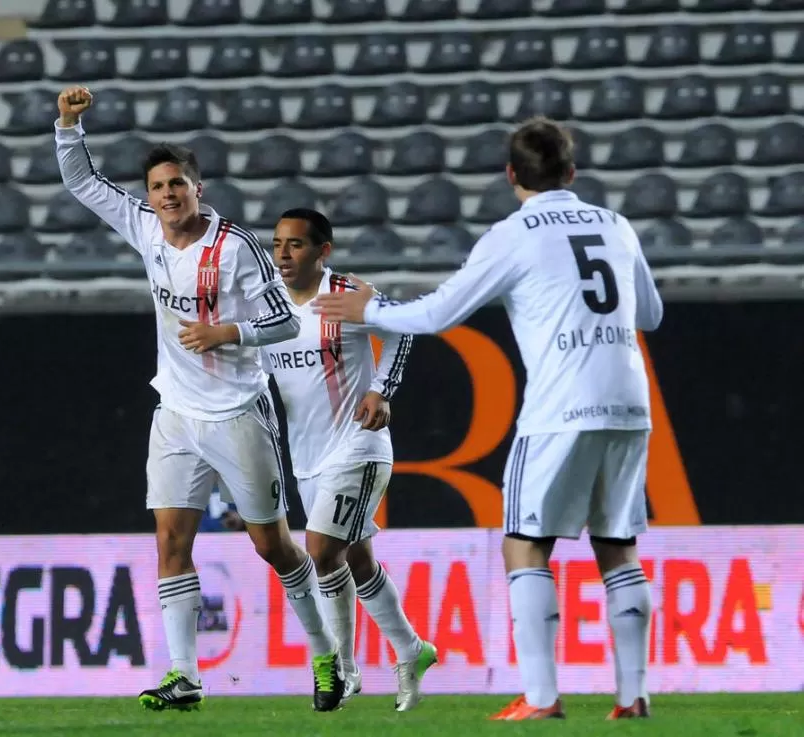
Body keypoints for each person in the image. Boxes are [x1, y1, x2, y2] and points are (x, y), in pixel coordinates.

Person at [315, 116, 663, 721]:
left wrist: (372, 308)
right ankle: (633, 698)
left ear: (511, 176)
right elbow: (651, 315)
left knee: (525, 545)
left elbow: (439, 314)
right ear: (572, 172)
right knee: (618, 547)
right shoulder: (617, 225)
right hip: (631, 404)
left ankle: (542, 698)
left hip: (560, 407)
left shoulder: (515, 234)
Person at [54, 86, 345, 713]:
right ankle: (184, 674)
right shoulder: (144, 229)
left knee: (272, 546)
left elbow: (287, 323)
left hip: (238, 411)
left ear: (197, 189)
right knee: (170, 541)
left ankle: (326, 657)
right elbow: (84, 184)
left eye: (177, 185)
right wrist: (67, 125)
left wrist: (228, 331)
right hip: (177, 414)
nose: (166, 196)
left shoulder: (236, 249)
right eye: (158, 186)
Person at [268, 209, 438, 711]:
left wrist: (381, 389)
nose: (282, 253)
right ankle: (412, 650)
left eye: (295, 244)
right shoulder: (267, 304)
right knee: (356, 561)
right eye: (277, 243)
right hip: (306, 456)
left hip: (359, 444)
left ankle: (339, 669)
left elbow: (403, 329)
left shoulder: (348, 294)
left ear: (323, 251)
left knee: (320, 550)